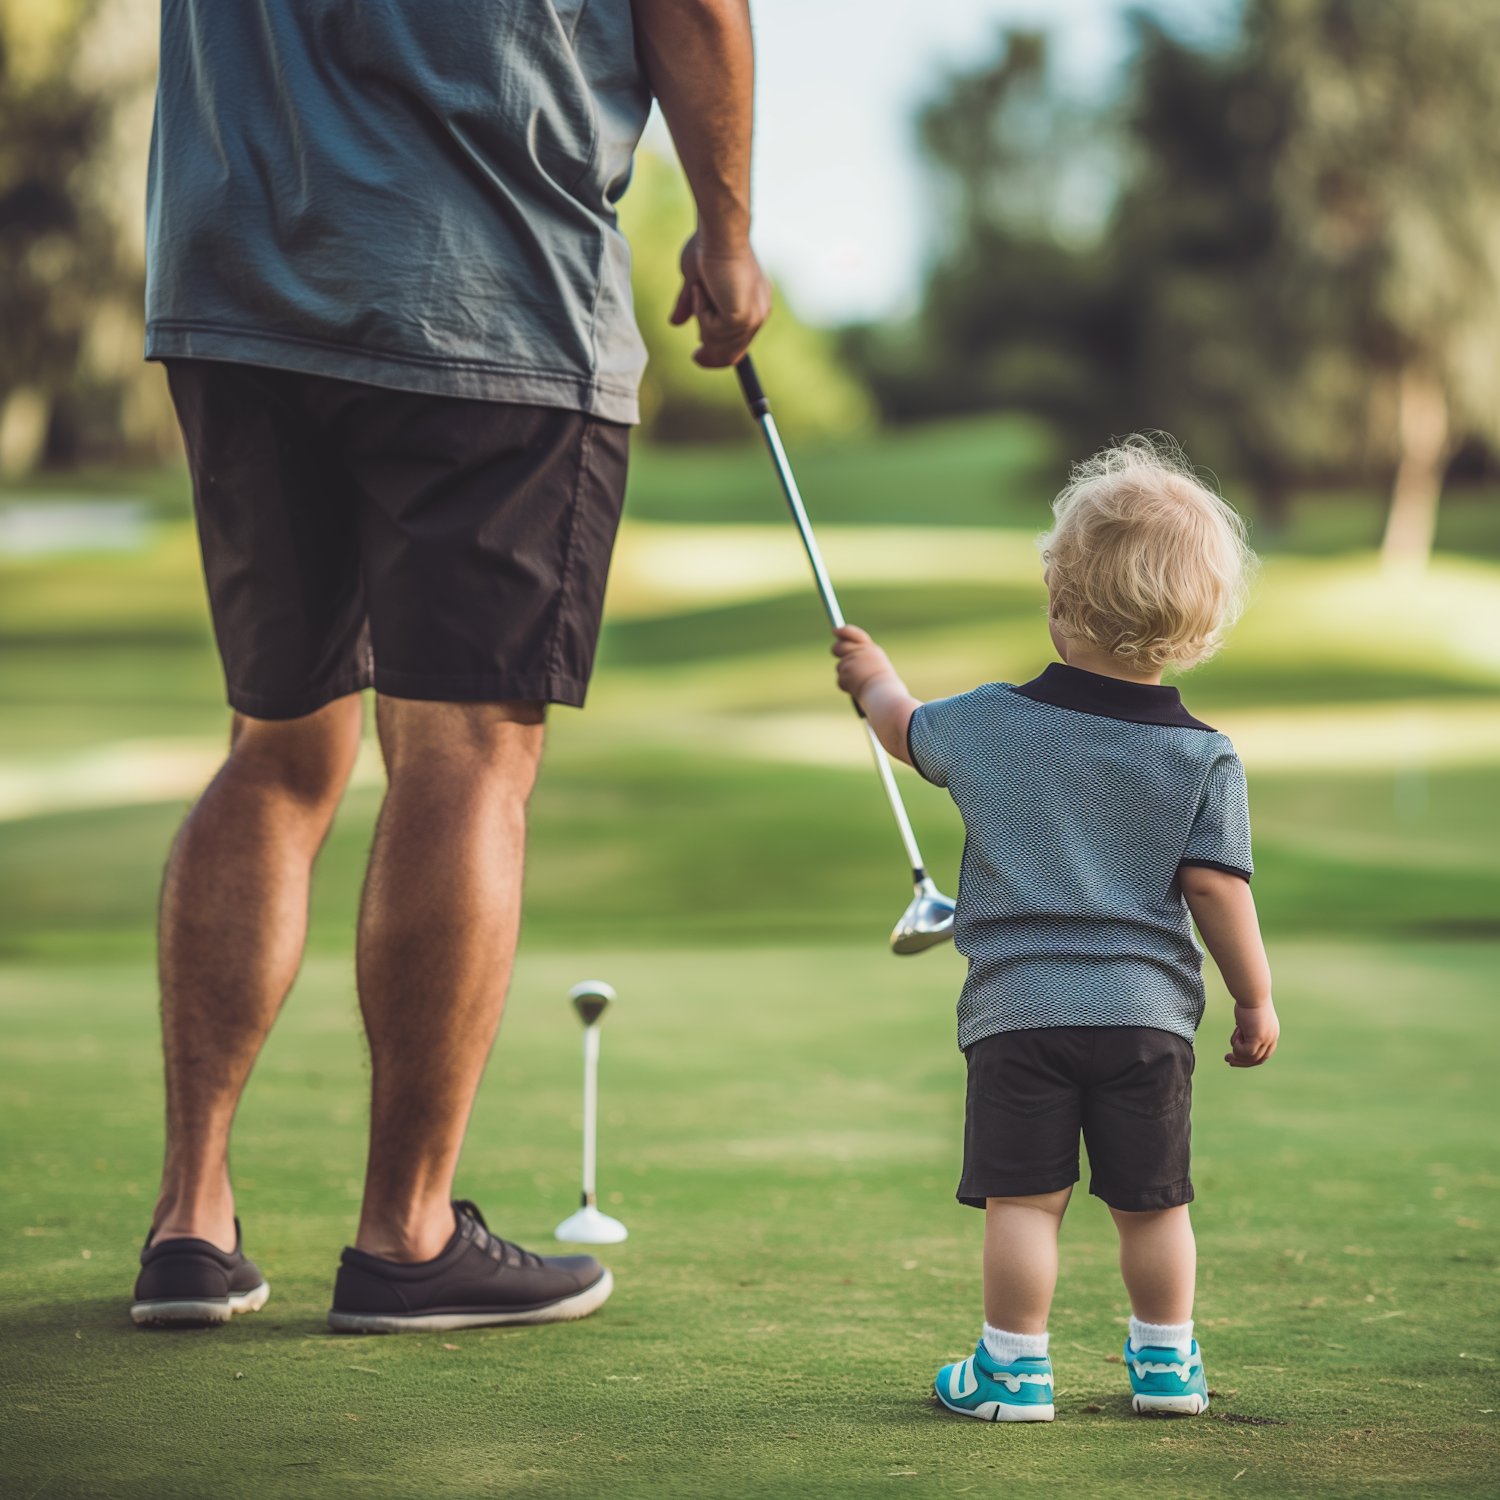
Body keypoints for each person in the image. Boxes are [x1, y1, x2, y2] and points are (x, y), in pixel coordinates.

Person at [129, 0, 770, 1331]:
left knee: (281, 738)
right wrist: (727, 228)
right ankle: (407, 1240)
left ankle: (192, 1223)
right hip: (488, 280)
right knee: (466, 751)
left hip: (233, 272)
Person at [831, 437, 1280, 1420]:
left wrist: (871, 676)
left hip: (1018, 1019)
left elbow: (904, 727)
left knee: (1026, 1203)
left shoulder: (991, 721)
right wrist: (1253, 996)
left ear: (1057, 599)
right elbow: (1216, 892)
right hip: (1146, 1025)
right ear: (1198, 630)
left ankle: (1013, 1370)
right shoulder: (1204, 757)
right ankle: (1167, 1368)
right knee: (1152, 1204)